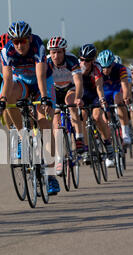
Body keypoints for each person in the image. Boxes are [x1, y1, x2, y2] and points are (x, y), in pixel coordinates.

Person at [0, 21, 60, 195]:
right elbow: (7, 78)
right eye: (16, 41)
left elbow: (41, 76)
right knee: (10, 96)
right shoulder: (7, 50)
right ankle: (21, 136)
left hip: (43, 83)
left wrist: (44, 98)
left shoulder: (37, 45)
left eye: (23, 41)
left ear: (29, 38)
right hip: (23, 82)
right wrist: (2, 100)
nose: (19, 45)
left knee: (44, 125)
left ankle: (50, 175)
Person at [46, 36, 84, 176]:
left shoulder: (72, 59)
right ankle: (59, 158)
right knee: (55, 123)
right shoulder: (46, 62)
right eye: (53, 52)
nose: (56, 56)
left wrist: (79, 98)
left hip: (70, 88)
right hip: (54, 90)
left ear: (64, 51)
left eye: (59, 52)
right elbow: (42, 84)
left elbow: (79, 82)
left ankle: (79, 138)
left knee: (71, 104)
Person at [78, 44, 114, 167]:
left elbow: (99, 88)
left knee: (97, 117)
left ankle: (108, 144)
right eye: (82, 59)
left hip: (94, 94)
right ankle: (86, 149)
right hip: (82, 94)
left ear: (93, 60)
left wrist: (102, 101)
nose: (84, 62)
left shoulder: (97, 68)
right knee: (81, 117)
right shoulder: (77, 67)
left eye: (87, 60)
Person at [97, 49, 132, 148]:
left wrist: (126, 97)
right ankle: (108, 147)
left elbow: (125, 85)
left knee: (119, 101)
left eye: (108, 67)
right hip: (104, 92)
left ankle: (125, 134)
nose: (106, 70)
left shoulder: (121, 68)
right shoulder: (97, 69)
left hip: (116, 90)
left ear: (113, 63)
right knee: (104, 117)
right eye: (103, 67)